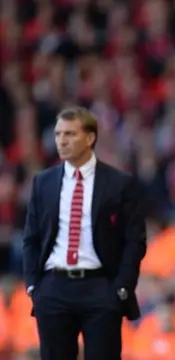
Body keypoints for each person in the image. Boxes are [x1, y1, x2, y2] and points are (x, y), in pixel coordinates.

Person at [22, 107, 147, 360]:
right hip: (54, 287)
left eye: (70, 134)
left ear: (90, 138)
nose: (61, 140)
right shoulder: (42, 182)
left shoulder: (119, 183)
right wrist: (34, 285)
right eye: (58, 134)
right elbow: (31, 238)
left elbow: (135, 239)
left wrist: (122, 286)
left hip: (101, 287)